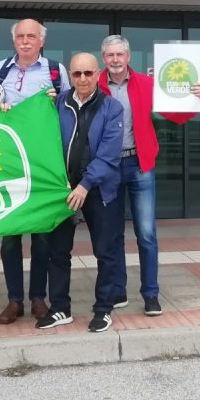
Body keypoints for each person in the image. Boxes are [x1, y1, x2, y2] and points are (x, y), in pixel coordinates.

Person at [99, 35, 200, 317]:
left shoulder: (146, 83)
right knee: (111, 236)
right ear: (104, 58)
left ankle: (150, 294)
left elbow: (175, 113)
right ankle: (117, 290)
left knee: (146, 234)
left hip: (140, 165)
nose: (115, 60)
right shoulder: (95, 84)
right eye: (110, 55)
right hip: (108, 168)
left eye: (119, 55)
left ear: (128, 56)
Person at [40, 52, 124, 333]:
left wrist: (85, 185)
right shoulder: (57, 103)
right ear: (71, 76)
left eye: (88, 73)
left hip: (99, 190)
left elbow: (110, 154)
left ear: (97, 73)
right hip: (62, 190)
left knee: (106, 251)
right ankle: (60, 308)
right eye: (77, 74)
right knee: (57, 252)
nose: (83, 79)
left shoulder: (112, 107)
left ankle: (103, 309)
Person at [0, 18, 68, 325]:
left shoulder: (55, 70)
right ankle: (14, 300)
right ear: (15, 41)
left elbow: (69, 109)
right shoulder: (1, 70)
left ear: (41, 41)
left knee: (41, 237)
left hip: (43, 164)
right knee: (10, 237)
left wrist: (58, 100)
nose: (25, 41)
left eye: (31, 36)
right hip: (9, 164)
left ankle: (38, 297)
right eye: (20, 36)